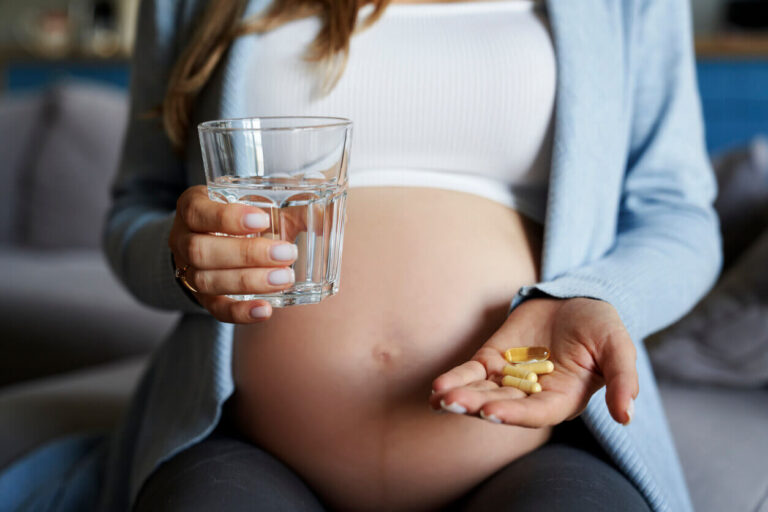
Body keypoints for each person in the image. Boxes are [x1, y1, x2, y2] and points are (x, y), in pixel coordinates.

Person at [2, 0, 716, 510]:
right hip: (242, 444)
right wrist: (179, 256)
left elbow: (679, 215)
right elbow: (136, 207)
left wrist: (591, 296)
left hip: (543, 451)